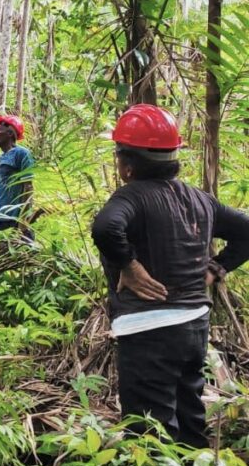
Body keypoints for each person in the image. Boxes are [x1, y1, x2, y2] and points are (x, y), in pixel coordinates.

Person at [91, 104, 249, 447]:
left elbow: (105, 228)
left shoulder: (130, 196)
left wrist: (129, 266)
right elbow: (246, 230)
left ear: (127, 163)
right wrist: (215, 268)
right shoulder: (200, 199)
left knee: (151, 433)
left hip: (148, 331)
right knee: (190, 418)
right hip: (193, 327)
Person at [0, 114, 35, 239]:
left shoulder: (21, 153)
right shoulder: (1, 157)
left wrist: (23, 220)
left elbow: (28, 187)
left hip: (16, 221)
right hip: (0, 219)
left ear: (10, 133)